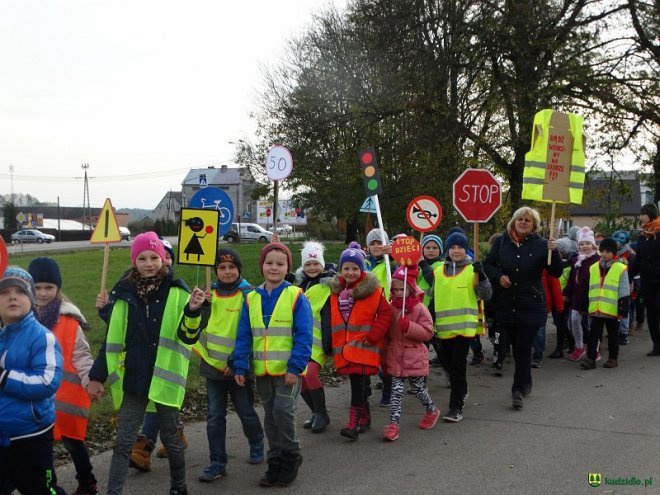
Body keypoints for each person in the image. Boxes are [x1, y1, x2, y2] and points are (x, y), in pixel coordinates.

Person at [87, 231, 206, 495]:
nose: (149, 263)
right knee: (123, 444)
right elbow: (113, 339)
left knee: (172, 440)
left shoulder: (178, 291)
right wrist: (97, 376)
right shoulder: (125, 293)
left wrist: (193, 311)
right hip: (135, 379)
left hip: (165, 379)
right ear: (134, 261)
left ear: (164, 259)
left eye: (154, 257)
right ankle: (113, 492)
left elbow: (188, 335)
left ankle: (179, 487)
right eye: (142, 258)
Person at [233, 242, 313, 487]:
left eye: (280, 264)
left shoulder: (296, 296)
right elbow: (244, 334)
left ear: (288, 267)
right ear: (262, 266)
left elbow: (304, 334)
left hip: (289, 370)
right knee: (270, 415)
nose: (274, 268)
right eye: (269, 263)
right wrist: (239, 365)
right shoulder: (251, 298)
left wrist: (295, 367)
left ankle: (291, 455)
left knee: (283, 411)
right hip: (263, 370)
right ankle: (275, 460)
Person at [28, 257, 98, 494]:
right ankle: (50, 485)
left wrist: (90, 380)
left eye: (49, 287)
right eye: (37, 287)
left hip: (64, 398)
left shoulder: (69, 321)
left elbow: (81, 355)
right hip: (34, 398)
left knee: (73, 441)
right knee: (41, 445)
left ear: (58, 289)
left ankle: (87, 481)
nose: (43, 293)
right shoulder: (19, 319)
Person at [195, 248, 265, 482]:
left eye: (231, 267)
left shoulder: (249, 294)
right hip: (213, 367)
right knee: (215, 416)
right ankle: (217, 462)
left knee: (245, 410)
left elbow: (252, 332)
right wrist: (203, 306)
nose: (227, 272)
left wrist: (236, 363)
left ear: (239, 270)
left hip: (240, 367)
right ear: (215, 271)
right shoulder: (208, 293)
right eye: (222, 268)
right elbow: (198, 329)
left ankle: (256, 442)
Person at [484, 207, 562, 410]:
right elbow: (489, 265)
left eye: (528, 220)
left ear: (534, 225)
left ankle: (517, 389)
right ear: (514, 221)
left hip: (531, 304)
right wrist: (499, 277)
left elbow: (556, 272)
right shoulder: (502, 241)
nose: (523, 222)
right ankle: (526, 382)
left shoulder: (542, 245)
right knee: (513, 346)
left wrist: (554, 252)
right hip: (507, 303)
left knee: (523, 347)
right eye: (520, 219)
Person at [0, 266, 64, 495]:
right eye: (4, 292)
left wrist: (4, 377)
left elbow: (48, 381)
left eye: (20, 291)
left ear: (31, 299)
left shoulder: (41, 336)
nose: (12, 297)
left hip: (31, 435)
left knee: (41, 490)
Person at [328, 242, 392, 440]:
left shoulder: (372, 291)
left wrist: (374, 335)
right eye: (346, 268)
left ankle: (353, 424)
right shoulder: (335, 291)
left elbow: (385, 314)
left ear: (362, 269)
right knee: (360, 383)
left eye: (355, 268)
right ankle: (365, 418)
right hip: (345, 346)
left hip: (365, 345)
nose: (350, 272)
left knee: (357, 384)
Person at [431, 232, 492, 421]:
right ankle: (463, 390)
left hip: (465, 329)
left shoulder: (473, 269)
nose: (456, 251)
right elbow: (430, 295)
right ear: (447, 250)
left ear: (466, 249)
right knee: (448, 364)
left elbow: (487, 294)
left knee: (458, 366)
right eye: (453, 247)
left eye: (460, 247)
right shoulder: (438, 271)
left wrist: (481, 276)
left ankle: (455, 407)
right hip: (442, 328)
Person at [382, 265, 438, 441]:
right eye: (395, 289)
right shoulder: (390, 308)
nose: (399, 293)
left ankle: (432, 410)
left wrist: (410, 327)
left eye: (403, 289)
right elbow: (387, 332)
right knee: (396, 391)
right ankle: (393, 425)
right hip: (396, 355)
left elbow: (428, 332)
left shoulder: (420, 308)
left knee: (418, 388)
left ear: (411, 288)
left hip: (414, 357)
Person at [295, 241, 334, 433]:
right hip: (301, 341)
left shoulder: (327, 286)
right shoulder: (299, 285)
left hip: (318, 342)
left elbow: (328, 316)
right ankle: (316, 412)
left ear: (322, 264)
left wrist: (329, 343)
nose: (312, 267)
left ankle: (322, 413)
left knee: (310, 374)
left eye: (316, 263)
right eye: (308, 264)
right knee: (301, 379)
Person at [580, 238, 630, 369]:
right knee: (593, 335)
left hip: (612, 310)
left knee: (613, 335)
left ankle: (613, 358)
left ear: (614, 253)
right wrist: (585, 305)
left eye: (608, 251)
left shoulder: (621, 268)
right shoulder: (593, 267)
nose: (604, 254)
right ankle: (591, 359)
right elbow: (589, 288)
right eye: (602, 251)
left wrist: (622, 309)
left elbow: (624, 290)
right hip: (596, 309)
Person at [364, 228, 397, 407]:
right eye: (373, 243)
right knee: (367, 355)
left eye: (379, 243)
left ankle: (388, 390)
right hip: (367, 315)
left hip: (385, 314)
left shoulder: (389, 263)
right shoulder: (364, 263)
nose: (376, 246)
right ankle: (365, 387)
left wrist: (393, 257)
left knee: (385, 357)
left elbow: (403, 270)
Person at [563, 227, 600, 362]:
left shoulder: (598, 260)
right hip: (577, 296)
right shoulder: (576, 260)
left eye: (587, 243)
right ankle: (579, 346)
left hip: (592, 297)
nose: (584, 246)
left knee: (593, 326)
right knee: (573, 321)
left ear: (593, 245)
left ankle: (594, 349)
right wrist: (566, 292)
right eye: (581, 244)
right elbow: (572, 279)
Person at [630, 203, 660, 356]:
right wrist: (628, 276)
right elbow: (639, 259)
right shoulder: (642, 236)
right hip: (647, 280)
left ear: (651, 215)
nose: (640, 217)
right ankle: (657, 345)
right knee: (652, 312)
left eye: (643, 214)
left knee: (658, 307)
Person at [418, 235, 444, 367]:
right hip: (420, 314)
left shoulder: (442, 265)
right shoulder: (417, 265)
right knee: (421, 348)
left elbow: (434, 280)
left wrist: (422, 263)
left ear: (440, 250)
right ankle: (420, 377)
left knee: (440, 347)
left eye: (434, 247)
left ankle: (449, 373)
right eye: (427, 247)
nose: (431, 250)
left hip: (434, 312)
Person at [531, 268, 565, 368]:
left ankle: (537, 356)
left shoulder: (546, 267)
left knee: (539, 332)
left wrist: (559, 306)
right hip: (524, 303)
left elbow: (555, 286)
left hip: (542, 305)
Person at [612, 230, 634, 345]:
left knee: (624, 309)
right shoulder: (611, 252)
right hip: (612, 284)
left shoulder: (629, 254)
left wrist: (630, 284)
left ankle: (624, 333)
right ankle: (615, 329)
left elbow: (632, 271)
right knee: (614, 308)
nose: (617, 244)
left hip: (625, 284)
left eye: (619, 241)